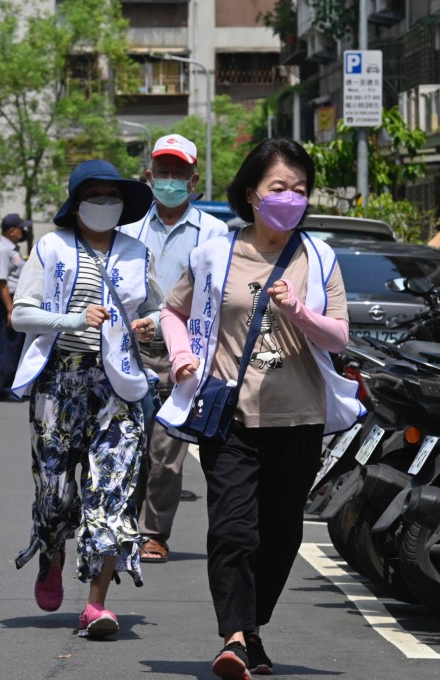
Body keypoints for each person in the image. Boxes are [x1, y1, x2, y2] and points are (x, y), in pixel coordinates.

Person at [155, 138, 362, 678]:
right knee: (232, 531)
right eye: (279, 188)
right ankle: (236, 638)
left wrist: (299, 312)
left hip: (300, 420)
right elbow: (173, 313)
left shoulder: (319, 258)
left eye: (300, 189)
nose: (290, 198)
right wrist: (182, 359)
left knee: (281, 535)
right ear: (252, 194)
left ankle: (253, 628)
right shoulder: (215, 253)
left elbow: (338, 338)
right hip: (232, 416)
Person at [10, 160, 162, 639]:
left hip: (117, 385)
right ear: (76, 204)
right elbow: (20, 315)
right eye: (94, 195)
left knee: (113, 490)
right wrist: (73, 321)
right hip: (60, 383)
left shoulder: (138, 253)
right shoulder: (51, 247)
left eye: (111, 196)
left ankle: (97, 604)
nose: (104, 204)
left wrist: (151, 325)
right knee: (54, 491)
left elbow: (157, 310)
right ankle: (52, 552)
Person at [118, 134, 229, 563]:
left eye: (177, 174)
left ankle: (153, 532)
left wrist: (170, 324)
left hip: (184, 357)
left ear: (193, 178)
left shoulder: (214, 233)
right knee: (130, 443)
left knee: (166, 450)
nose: (169, 180)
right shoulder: (128, 231)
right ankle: (122, 522)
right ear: (148, 177)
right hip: (131, 351)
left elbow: (215, 296)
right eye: (162, 172)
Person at [0, 213, 28, 401]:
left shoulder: (12, 249)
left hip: (17, 299)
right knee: (9, 345)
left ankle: (15, 387)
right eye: (21, 228)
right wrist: (10, 310)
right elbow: (3, 282)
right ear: (11, 230)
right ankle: (6, 389)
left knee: (18, 344)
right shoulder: (2, 251)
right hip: (8, 300)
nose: (23, 231)